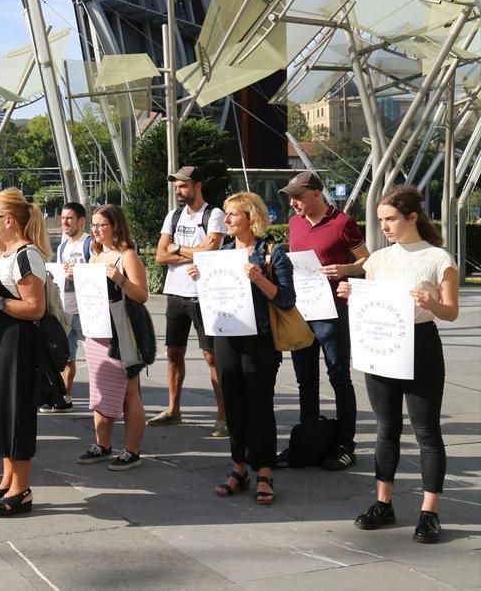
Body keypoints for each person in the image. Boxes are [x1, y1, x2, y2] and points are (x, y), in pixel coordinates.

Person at [341, 187, 459, 544]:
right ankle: (383, 503)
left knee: (426, 432)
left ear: (412, 217)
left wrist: (431, 302)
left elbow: (451, 311)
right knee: (385, 429)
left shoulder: (439, 258)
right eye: (380, 221)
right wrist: (353, 296)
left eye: (390, 219)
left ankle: (429, 511)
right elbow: (372, 304)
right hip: (381, 344)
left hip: (420, 342)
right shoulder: (377, 259)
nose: (385, 226)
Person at [188, 191, 294, 507]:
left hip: (259, 339)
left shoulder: (272, 253)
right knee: (233, 403)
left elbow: (286, 299)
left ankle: (263, 470)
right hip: (225, 337)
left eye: (233, 214)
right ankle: (238, 467)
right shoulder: (220, 253)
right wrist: (200, 277)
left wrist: (260, 279)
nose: (227, 219)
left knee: (259, 405)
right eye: (227, 214)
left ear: (251, 217)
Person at [0, 188, 49, 516]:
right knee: (0, 411)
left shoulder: (27, 255)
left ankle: (22, 488)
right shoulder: (4, 255)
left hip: (18, 345)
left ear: (10, 221)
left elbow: (35, 308)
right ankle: (7, 481)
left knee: (16, 413)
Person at [282, 171, 369, 470]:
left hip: (333, 312)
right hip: (302, 312)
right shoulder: (294, 224)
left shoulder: (342, 222)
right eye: (291, 197)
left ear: (316, 194)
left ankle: (346, 443)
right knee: (305, 380)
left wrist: (345, 269)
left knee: (339, 376)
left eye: (298, 197)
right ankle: (308, 440)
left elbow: (366, 260)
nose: (293, 203)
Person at [153, 165, 228, 436]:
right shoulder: (173, 215)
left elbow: (212, 250)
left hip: (202, 295)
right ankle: (173, 409)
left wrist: (176, 248)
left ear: (197, 185)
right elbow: (160, 255)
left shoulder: (214, 214)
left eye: (183, 186)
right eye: (176, 187)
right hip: (175, 293)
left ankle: (223, 417)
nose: (179, 191)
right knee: (174, 353)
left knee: (211, 356)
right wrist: (192, 253)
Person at [75, 205, 150, 470]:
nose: (95, 230)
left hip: (122, 331)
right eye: (93, 225)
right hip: (97, 331)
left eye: (100, 225)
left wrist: (120, 280)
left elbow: (142, 295)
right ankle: (102, 445)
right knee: (99, 388)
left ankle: (132, 450)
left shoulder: (126, 256)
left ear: (115, 226)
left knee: (130, 392)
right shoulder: (94, 257)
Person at [45, 201, 92, 414]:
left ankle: (107, 396)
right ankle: (66, 397)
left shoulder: (89, 244)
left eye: (69, 218)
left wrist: (78, 274)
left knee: (97, 354)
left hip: (88, 309)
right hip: (67, 308)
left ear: (81, 220)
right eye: (63, 218)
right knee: (66, 356)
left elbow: (98, 272)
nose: (64, 222)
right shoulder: (63, 246)